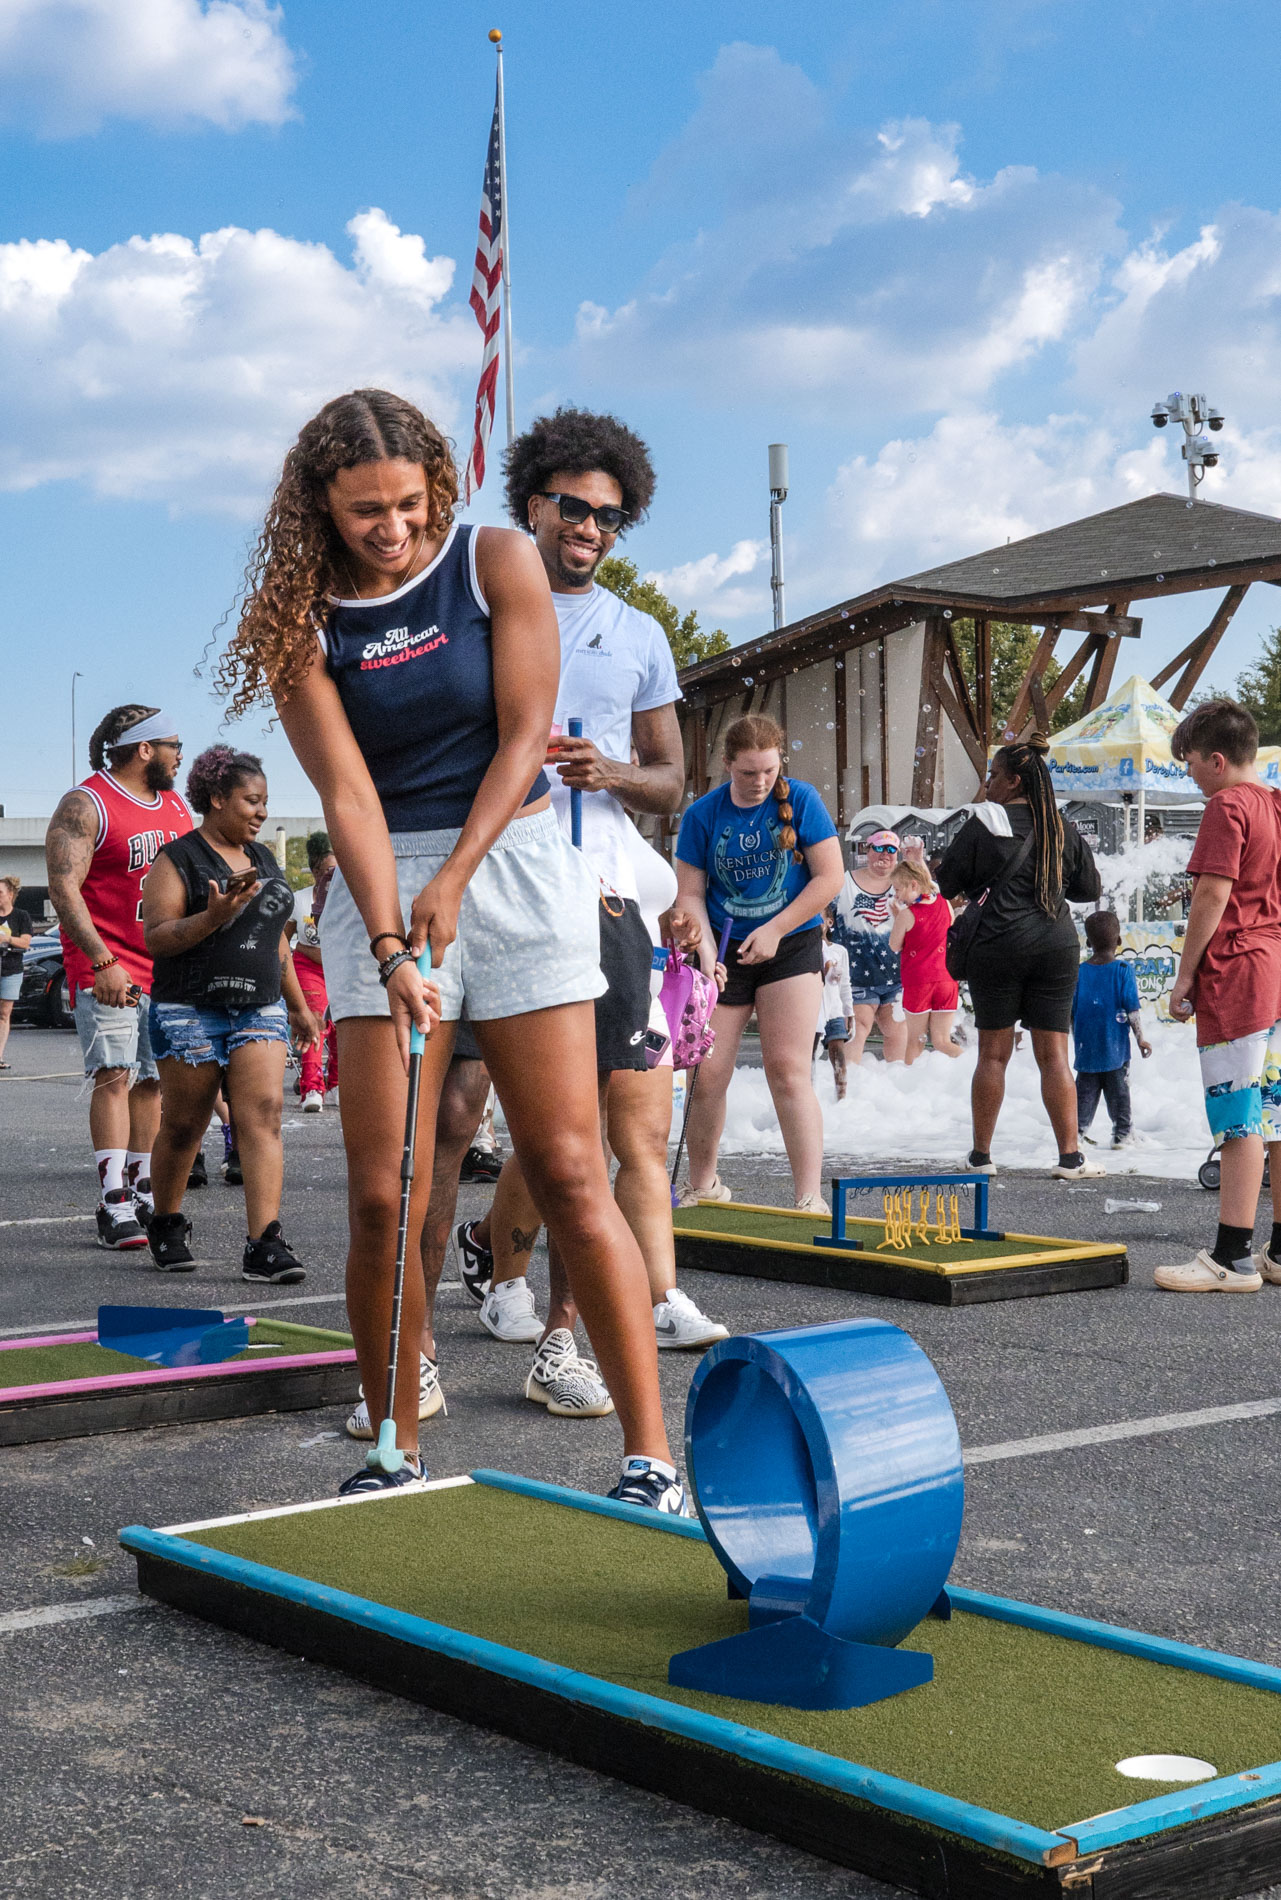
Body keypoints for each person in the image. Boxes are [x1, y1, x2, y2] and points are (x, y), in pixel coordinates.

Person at [215, 387, 682, 1510]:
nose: (392, 529)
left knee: (571, 1169)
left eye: (409, 505)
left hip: (515, 864)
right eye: (365, 511)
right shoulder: (301, 616)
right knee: (387, 1192)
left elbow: (525, 737)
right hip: (381, 875)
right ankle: (392, 1445)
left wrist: (458, 878)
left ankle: (652, 1460)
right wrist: (386, 940)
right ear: (318, 506)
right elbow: (345, 793)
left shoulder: (495, 561)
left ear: (436, 485)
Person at [453, 406, 724, 1385]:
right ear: (535, 504)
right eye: (574, 508)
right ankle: (465, 1277)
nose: (591, 529)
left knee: (596, 1120)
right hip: (487, 880)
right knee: (457, 1111)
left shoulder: (638, 632)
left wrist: (609, 772)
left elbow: (672, 780)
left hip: (600, 892)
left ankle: (565, 1333)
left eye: (610, 518)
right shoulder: (476, 609)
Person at [141, 746, 320, 1279]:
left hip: (258, 1007)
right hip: (189, 1009)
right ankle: (167, 1222)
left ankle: (264, 1244)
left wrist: (300, 1005)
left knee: (263, 1113)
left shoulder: (264, 860)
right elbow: (158, 938)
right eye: (252, 800)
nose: (261, 812)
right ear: (217, 799)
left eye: (265, 802)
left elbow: (276, 943)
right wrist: (212, 917)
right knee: (185, 1125)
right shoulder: (178, 859)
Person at [674, 713, 845, 1212]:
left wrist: (775, 929)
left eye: (768, 771)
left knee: (787, 1070)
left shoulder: (804, 800)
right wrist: (705, 951)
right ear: (726, 765)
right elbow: (690, 894)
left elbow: (829, 878)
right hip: (723, 948)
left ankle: (808, 1195)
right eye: (748, 773)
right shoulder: (702, 815)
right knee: (707, 1073)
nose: (760, 782)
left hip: (790, 944)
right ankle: (703, 1183)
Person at [45, 705, 193, 1248]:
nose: (182, 754)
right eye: (174, 744)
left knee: (154, 1081)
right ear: (145, 749)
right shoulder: (88, 803)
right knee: (114, 1074)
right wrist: (101, 961)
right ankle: (112, 1202)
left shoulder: (176, 805)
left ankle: (144, 1190)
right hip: (107, 965)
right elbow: (63, 888)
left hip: (162, 965)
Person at [936, 734, 1103, 1179]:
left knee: (993, 1054)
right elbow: (1089, 890)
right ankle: (1070, 1157)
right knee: (1054, 1055)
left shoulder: (986, 822)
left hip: (998, 945)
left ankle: (981, 1157)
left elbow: (946, 884)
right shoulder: (1061, 827)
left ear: (1013, 781)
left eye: (992, 775)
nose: (987, 784)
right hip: (1056, 947)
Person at [1155, 701, 1281, 1292]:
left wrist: (1185, 977)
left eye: (1190, 766)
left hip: (1238, 970)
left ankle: (1232, 1257)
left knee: (1238, 1114)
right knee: (1277, 1113)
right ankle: (1278, 1252)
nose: (1190, 777)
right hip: (1277, 966)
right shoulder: (1277, 803)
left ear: (1217, 759)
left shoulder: (1227, 805)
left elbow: (1212, 894)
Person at [1072, 909, 1151, 1149]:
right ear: (1118, 941)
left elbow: (1069, 1012)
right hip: (1115, 1047)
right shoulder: (1122, 970)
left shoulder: (1079, 972)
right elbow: (1132, 1010)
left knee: (1084, 1095)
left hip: (1086, 1048)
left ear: (1087, 942)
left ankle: (1075, 1134)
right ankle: (1122, 1135)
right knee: (1119, 1094)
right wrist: (1141, 1039)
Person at [833, 830, 908, 1064]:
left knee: (896, 1029)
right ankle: (848, 1087)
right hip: (856, 976)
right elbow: (821, 917)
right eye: (879, 848)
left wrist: (917, 861)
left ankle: (899, 1087)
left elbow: (931, 898)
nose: (884, 854)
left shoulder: (904, 886)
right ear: (867, 850)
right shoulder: (842, 882)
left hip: (896, 976)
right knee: (858, 1028)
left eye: (891, 850)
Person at [889, 859, 960, 1063]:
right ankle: (969, 1067)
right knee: (942, 1041)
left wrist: (898, 919)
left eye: (898, 889)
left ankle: (911, 1086)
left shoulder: (907, 914)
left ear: (913, 884)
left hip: (919, 981)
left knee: (915, 1041)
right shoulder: (945, 903)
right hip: (946, 979)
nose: (897, 895)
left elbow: (895, 945)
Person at [288, 830, 338, 1112]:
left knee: (342, 1027)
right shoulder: (299, 900)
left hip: (339, 967)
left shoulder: (346, 898)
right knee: (314, 1022)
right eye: (330, 869)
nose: (335, 874)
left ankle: (335, 1084)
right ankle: (311, 1089)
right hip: (308, 968)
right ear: (317, 870)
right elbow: (284, 940)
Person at [813, 908, 854, 1098]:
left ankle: (842, 1096)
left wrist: (849, 1011)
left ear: (829, 923)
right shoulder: (805, 950)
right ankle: (808, 1094)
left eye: (818, 917)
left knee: (838, 1051)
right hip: (812, 1010)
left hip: (834, 1009)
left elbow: (844, 984)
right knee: (809, 1055)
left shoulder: (839, 951)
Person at [0, 876, 33, 1070]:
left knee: (4, 1013)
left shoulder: (21, 916)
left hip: (11, 969)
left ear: (10, 895)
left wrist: (7, 939)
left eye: (0, 893)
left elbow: (26, 942)